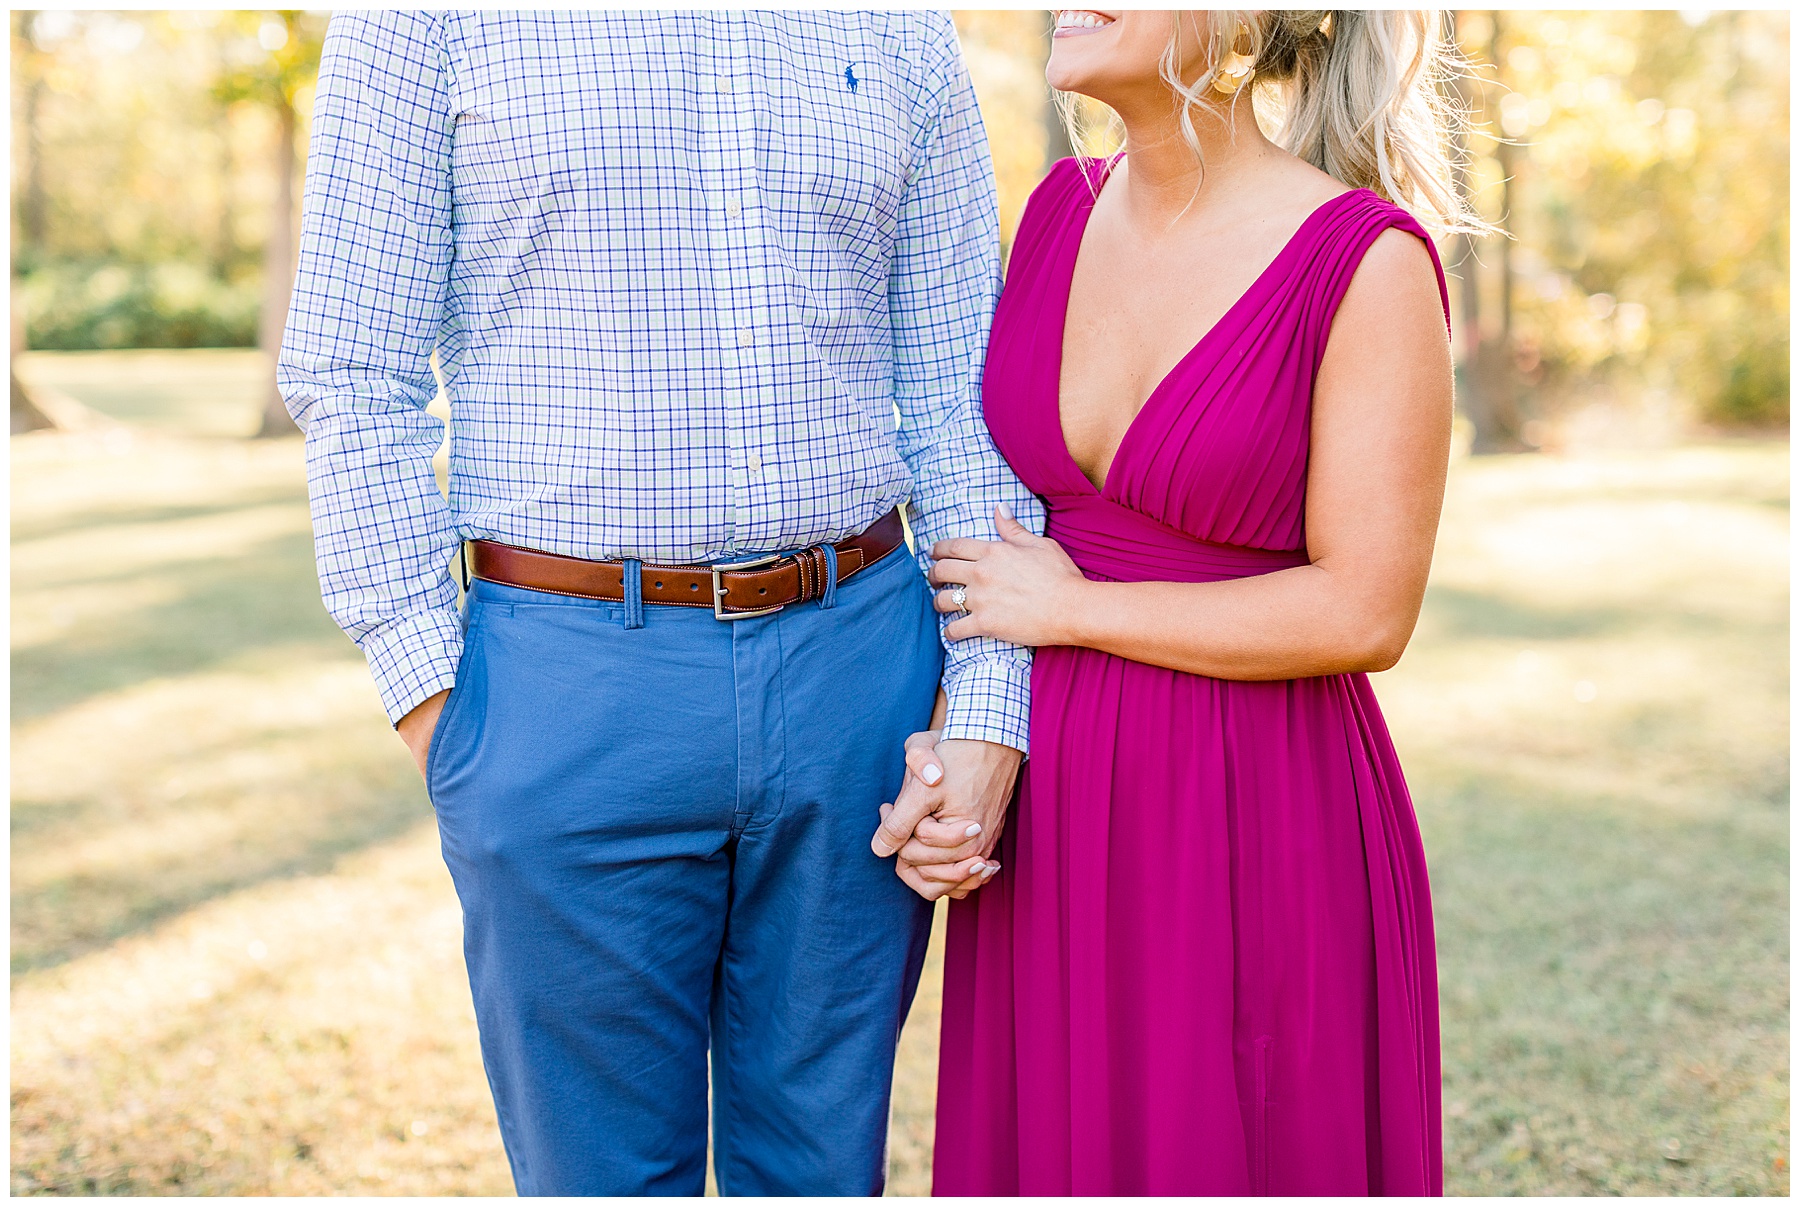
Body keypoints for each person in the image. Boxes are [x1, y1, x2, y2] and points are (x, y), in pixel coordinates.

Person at [277, 12, 1039, 1196]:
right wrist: (441, 702)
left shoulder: (900, 24)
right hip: (563, 687)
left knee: (824, 1174)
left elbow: (961, 388)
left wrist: (987, 710)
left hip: (862, 680)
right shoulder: (421, 18)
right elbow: (350, 372)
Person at [881, 9, 1483, 1196]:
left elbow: (1366, 610)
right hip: (1051, 826)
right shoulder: (1056, 212)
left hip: (1258, 817)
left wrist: (1078, 613)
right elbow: (989, 523)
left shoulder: (1365, 259)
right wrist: (963, 741)